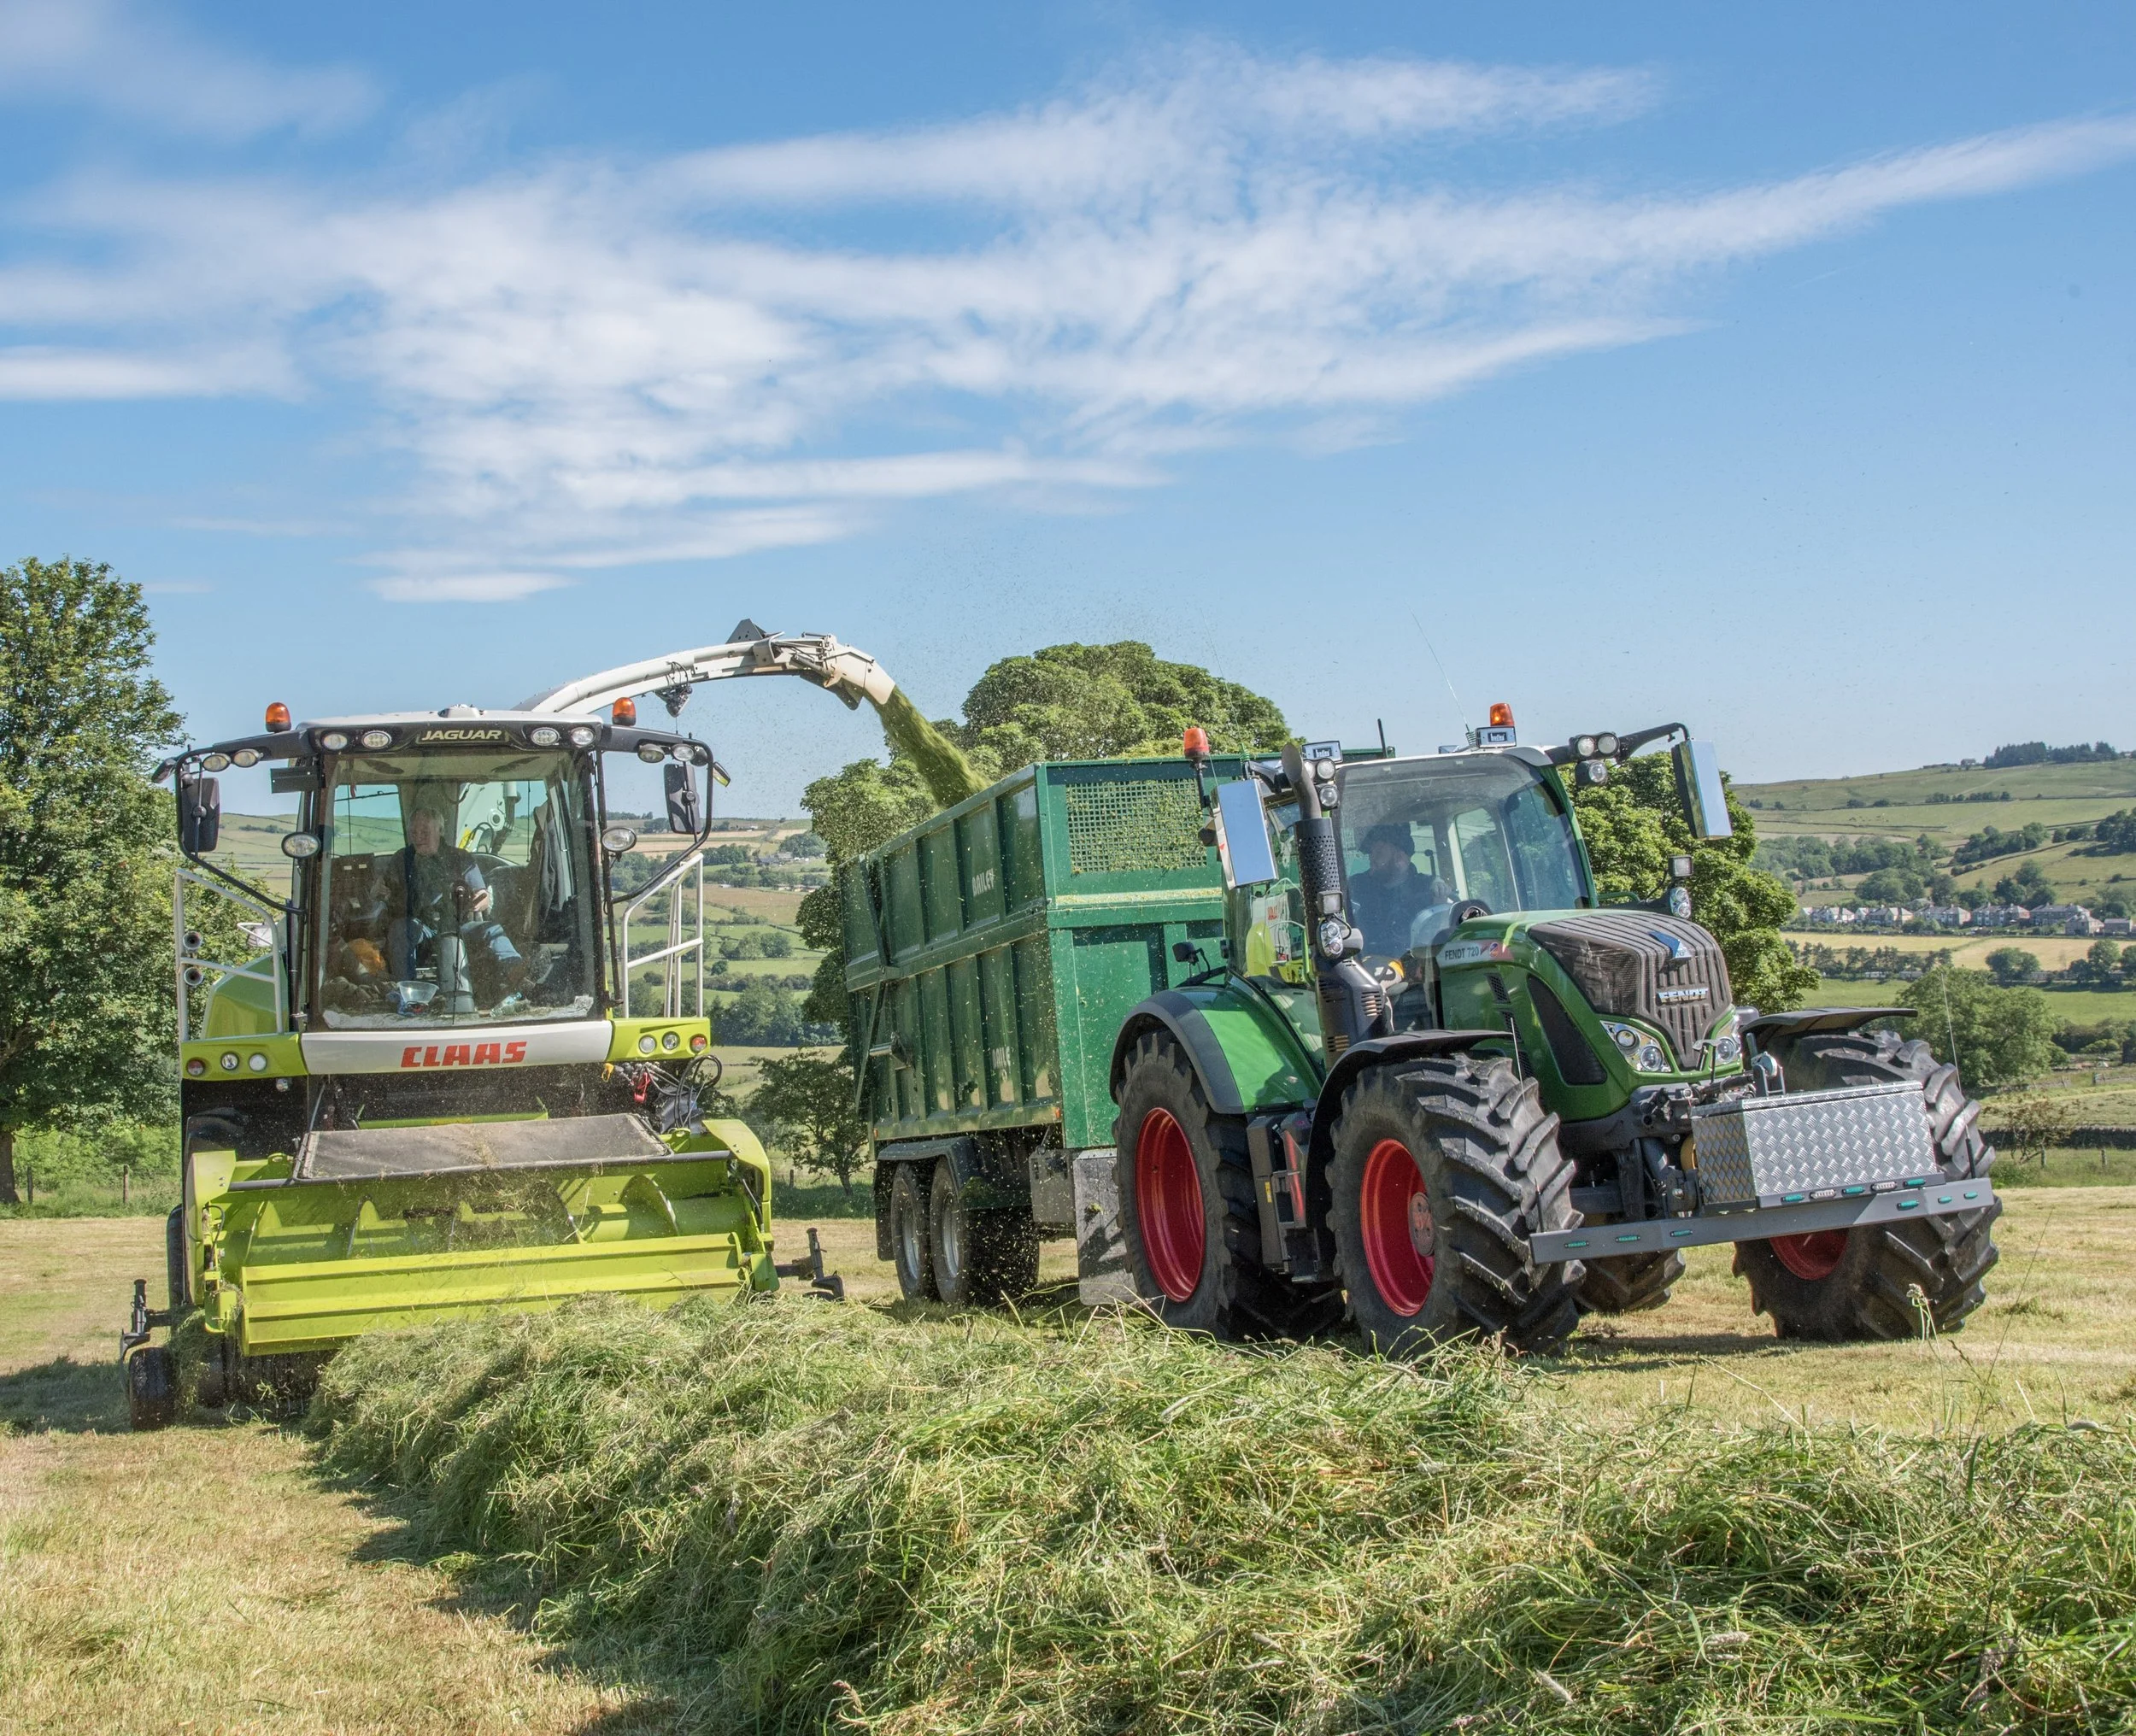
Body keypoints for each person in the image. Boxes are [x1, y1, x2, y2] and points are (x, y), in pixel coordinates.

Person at [385, 789, 527, 1000]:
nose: (418, 837)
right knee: (400, 929)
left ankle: (520, 976)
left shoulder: (461, 859)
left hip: (460, 926)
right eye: (413, 832)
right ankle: (407, 993)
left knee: (492, 930)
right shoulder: (401, 859)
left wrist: (478, 902)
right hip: (420, 927)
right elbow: (383, 888)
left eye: (424, 831)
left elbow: (483, 895)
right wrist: (381, 891)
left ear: (440, 830)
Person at [1348, 821, 1449, 957]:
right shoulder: (1357, 885)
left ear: (1400, 859)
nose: (1371, 858)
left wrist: (1440, 898)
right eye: (1371, 852)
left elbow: (1440, 938)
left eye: (1379, 853)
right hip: (1365, 968)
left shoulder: (1429, 889)